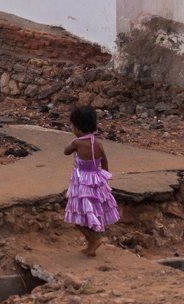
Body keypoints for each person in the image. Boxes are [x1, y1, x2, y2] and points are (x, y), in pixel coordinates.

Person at [62, 105, 120, 257]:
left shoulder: (77, 143)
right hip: (95, 182)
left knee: (76, 215)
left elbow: (66, 152)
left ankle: (93, 240)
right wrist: (104, 178)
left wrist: (74, 142)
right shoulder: (98, 144)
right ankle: (91, 244)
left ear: (78, 128)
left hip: (82, 184)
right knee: (90, 213)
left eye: (72, 126)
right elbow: (105, 162)